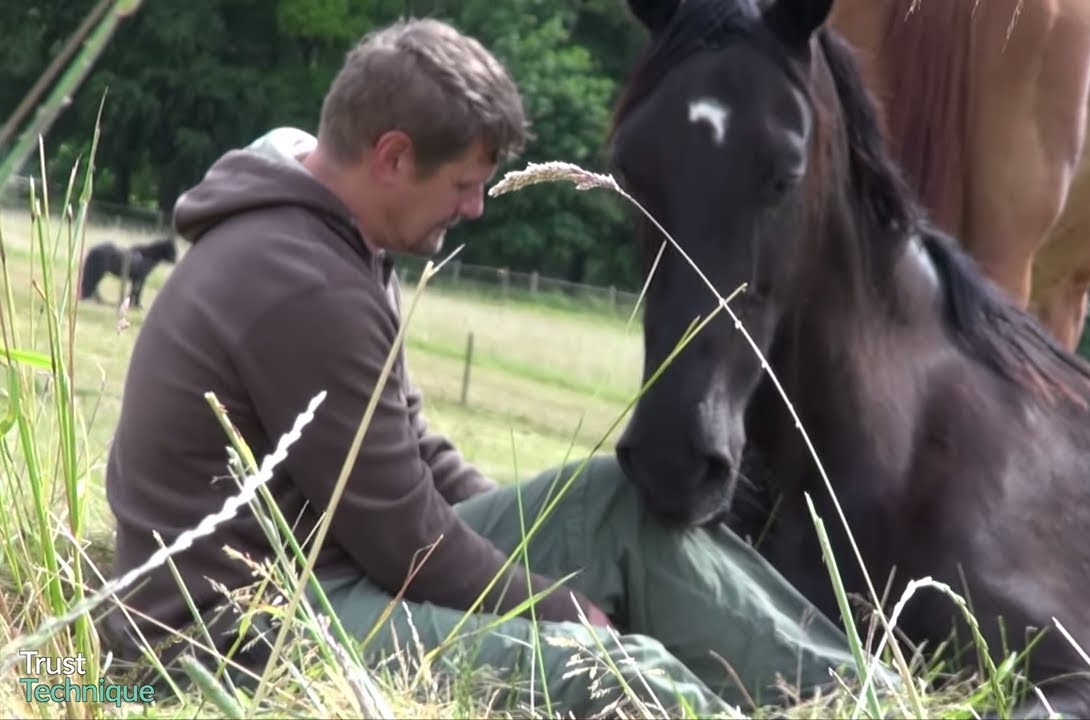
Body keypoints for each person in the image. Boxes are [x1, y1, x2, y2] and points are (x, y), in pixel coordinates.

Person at [99, 16, 893, 717]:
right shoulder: (301, 284)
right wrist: (554, 606)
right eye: (464, 185)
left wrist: (548, 538)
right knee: (614, 674)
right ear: (393, 156)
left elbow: (414, 453)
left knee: (615, 505)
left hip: (336, 571)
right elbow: (405, 541)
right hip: (244, 634)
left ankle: (868, 703)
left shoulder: (337, 241)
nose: (475, 207)